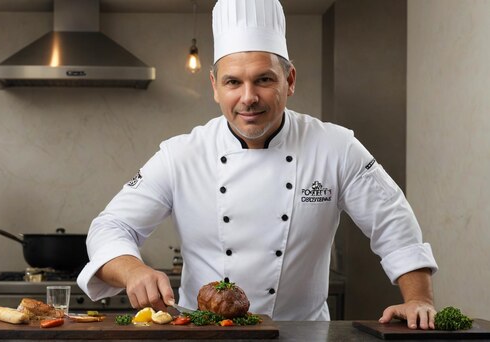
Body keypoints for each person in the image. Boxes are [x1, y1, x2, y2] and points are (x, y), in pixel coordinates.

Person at [78, 0, 438, 329]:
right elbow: (110, 226)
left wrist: (418, 299)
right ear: (215, 87)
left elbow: (392, 220)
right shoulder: (180, 155)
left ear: (290, 80)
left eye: (264, 79)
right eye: (233, 82)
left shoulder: (336, 146)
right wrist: (132, 269)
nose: (248, 98)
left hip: (301, 334)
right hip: (204, 337)